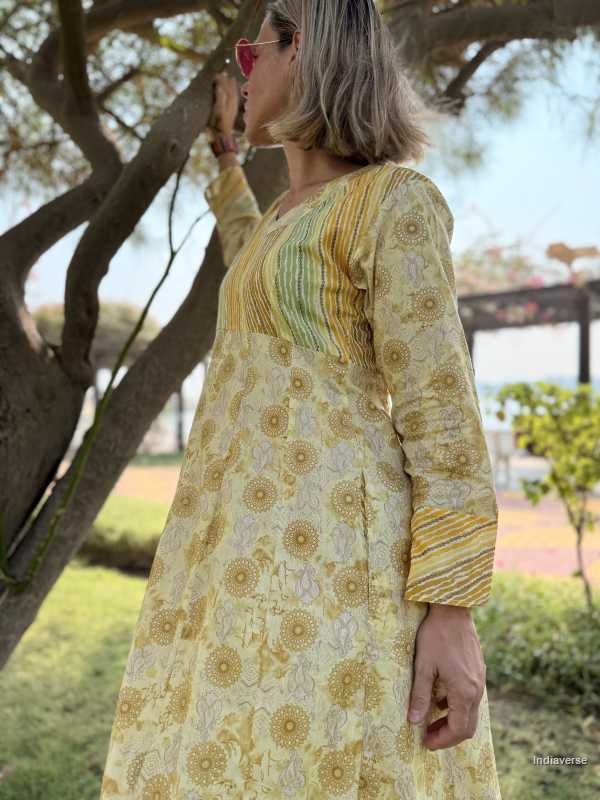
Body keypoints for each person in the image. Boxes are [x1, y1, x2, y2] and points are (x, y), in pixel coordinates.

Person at [99, 3, 503, 798]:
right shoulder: (280, 223)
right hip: (236, 558)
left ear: (307, 50)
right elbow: (247, 248)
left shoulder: (394, 202)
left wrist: (451, 610)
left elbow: (442, 416)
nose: (244, 72)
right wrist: (225, 154)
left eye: (257, 53)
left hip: (338, 569)